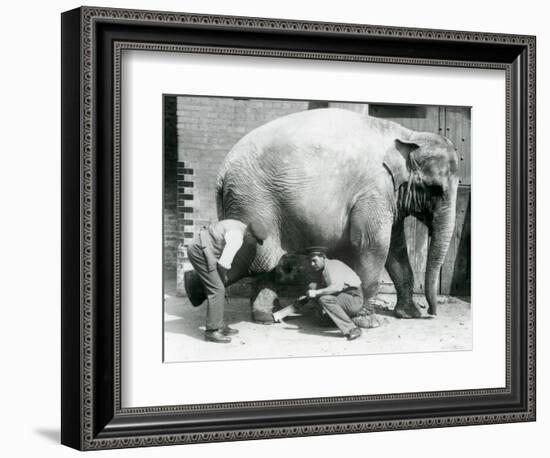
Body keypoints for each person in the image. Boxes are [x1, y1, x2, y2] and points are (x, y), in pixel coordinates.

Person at [186, 219, 267, 343]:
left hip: (206, 250)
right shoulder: (237, 238)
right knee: (218, 289)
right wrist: (222, 280)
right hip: (199, 251)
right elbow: (223, 264)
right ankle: (212, 331)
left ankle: (219, 324)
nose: (254, 244)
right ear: (250, 235)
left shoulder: (242, 226)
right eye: (255, 241)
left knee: (218, 287)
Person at [305, 247, 364, 341]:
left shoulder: (333, 265)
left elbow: (337, 287)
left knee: (324, 299)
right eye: (310, 261)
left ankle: (352, 328)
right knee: (313, 286)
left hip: (354, 298)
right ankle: (331, 320)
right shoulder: (326, 268)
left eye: (314, 260)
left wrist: (316, 292)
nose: (312, 264)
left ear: (323, 257)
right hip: (345, 296)